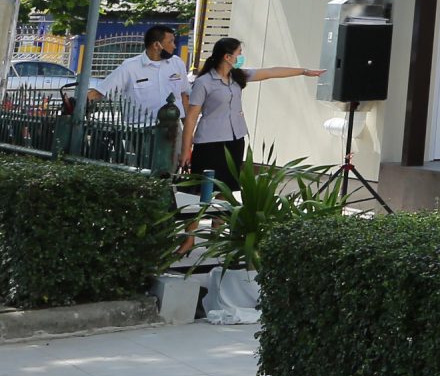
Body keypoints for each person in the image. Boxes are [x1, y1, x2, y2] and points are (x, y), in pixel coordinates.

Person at [177, 37, 321, 236]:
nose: (241, 57)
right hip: (209, 142)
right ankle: (189, 238)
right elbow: (192, 117)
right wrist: (186, 149)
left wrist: (304, 71)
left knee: (226, 190)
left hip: (235, 140)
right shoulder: (204, 82)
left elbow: (270, 72)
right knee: (201, 190)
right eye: (238, 53)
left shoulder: (237, 76)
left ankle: (216, 235)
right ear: (227, 57)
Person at [89, 24, 189, 122]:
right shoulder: (130, 67)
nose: (174, 46)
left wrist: (187, 126)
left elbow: (184, 94)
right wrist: (82, 104)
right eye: (171, 42)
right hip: (141, 128)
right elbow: (100, 92)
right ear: (156, 45)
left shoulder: (177, 63)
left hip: (174, 126)